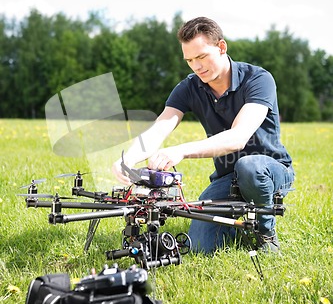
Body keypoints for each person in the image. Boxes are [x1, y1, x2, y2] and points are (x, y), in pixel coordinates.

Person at [113, 16, 294, 253]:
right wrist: (127, 158)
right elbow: (161, 127)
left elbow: (238, 137)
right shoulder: (189, 87)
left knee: (250, 167)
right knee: (200, 247)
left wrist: (180, 151)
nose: (196, 66)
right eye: (189, 60)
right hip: (227, 178)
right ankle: (239, 224)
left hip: (269, 171)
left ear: (221, 47)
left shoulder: (258, 79)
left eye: (201, 57)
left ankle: (265, 233)